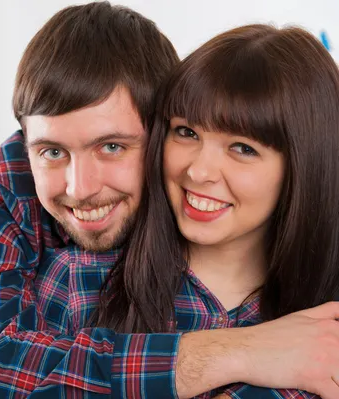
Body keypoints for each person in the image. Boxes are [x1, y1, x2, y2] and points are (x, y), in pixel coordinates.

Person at [0, 2, 339, 398]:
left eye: (111, 146)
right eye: (188, 133)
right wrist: (242, 351)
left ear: (155, 129)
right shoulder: (68, 273)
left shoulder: (315, 306)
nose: (80, 188)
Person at [93, 24, 339, 398]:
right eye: (186, 132)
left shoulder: (328, 324)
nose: (198, 172)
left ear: (305, 168)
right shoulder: (81, 282)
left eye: (242, 148)